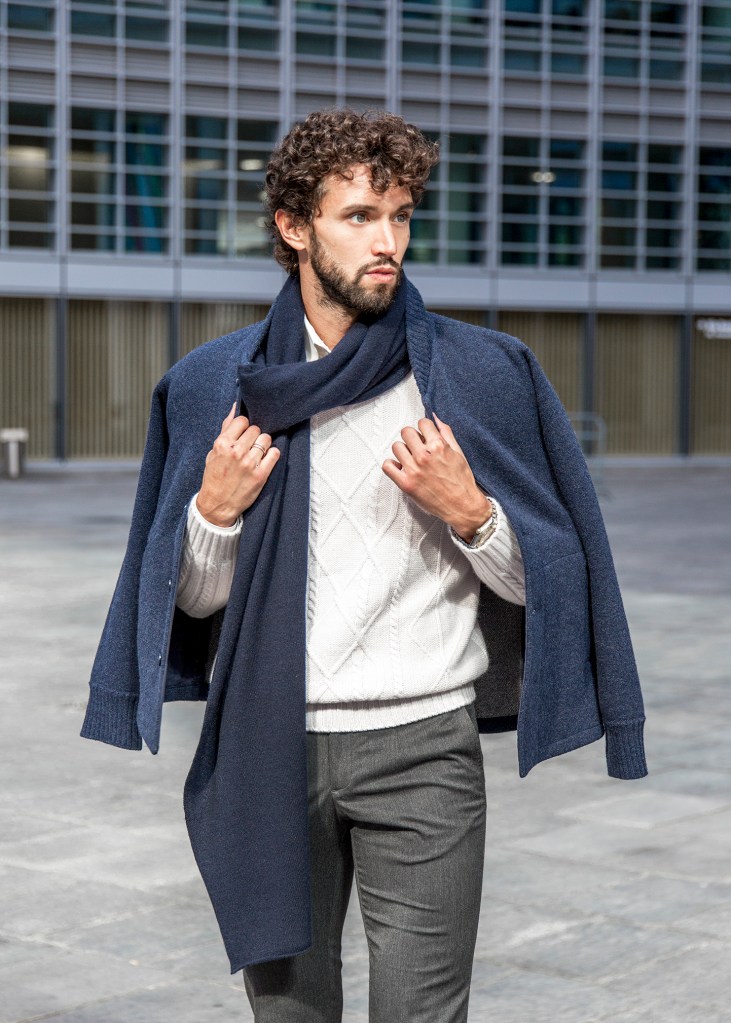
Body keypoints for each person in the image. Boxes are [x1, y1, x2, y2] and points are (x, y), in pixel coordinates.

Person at [81, 109, 647, 1023]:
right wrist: (213, 512)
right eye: (358, 216)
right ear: (293, 227)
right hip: (267, 743)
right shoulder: (213, 386)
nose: (387, 242)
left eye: (401, 215)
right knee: (290, 1016)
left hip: (424, 747)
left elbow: (552, 581)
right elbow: (190, 602)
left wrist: (472, 512)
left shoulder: (482, 372)